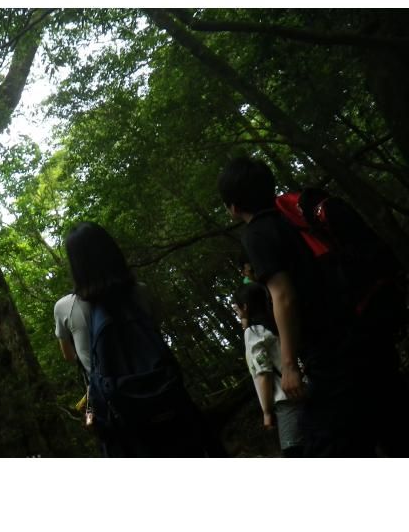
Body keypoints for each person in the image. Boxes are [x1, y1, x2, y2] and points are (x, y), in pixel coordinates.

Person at [218, 155, 405, 456]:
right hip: (366, 335)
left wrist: (290, 366)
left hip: (333, 357)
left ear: (234, 207)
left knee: (327, 446)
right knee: (392, 425)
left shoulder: (256, 233)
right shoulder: (293, 220)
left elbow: (284, 297)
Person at [63, 221, 224, 457]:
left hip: (124, 417)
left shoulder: (66, 308)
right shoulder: (140, 292)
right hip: (169, 401)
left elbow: (69, 356)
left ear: (76, 266)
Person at [233, 283, 304, 457]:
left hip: (286, 399)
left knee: (295, 452)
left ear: (245, 307)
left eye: (237, 308)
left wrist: (266, 411)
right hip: (306, 386)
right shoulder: (279, 321)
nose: (236, 312)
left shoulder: (253, 332)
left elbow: (263, 373)